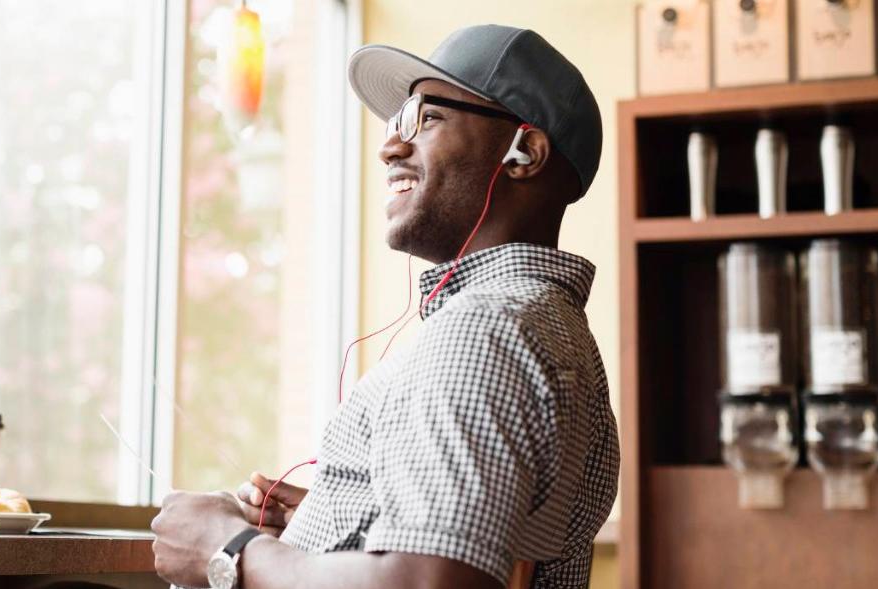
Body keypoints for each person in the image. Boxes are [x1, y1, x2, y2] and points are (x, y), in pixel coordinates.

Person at [151, 24, 619, 589]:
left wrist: (225, 550)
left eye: (428, 117)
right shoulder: (550, 330)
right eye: (399, 120)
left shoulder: (485, 330)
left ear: (525, 154)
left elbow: (431, 582)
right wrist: (344, 524)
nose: (390, 145)